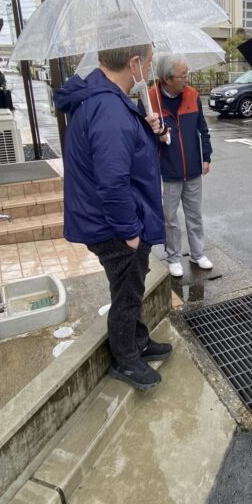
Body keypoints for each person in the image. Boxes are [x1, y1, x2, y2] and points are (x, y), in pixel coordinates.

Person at [53, 45, 172, 390]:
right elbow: (112, 180)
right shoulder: (109, 109)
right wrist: (130, 231)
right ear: (133, 63)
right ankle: (126, 359)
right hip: (115, 225)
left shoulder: (108, 100)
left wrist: (150, 131)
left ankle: (139, 341)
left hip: (113, 219)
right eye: (148, 63)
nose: (148, 71)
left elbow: (124, 156)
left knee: (131, 285)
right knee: (127, 293)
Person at [148, 55, 214, 278]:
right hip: (167, 172)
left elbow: (202, 129)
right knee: (170, 218)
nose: (187, 79)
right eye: (182, 75)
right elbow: (141, 137)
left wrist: (207, 156)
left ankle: (197, 253)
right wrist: (156, 136)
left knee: (194, 215)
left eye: (188, 73)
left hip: (193, 169)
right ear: (166, 79)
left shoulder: (192, 96)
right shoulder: (149, 100)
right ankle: (174, 257)